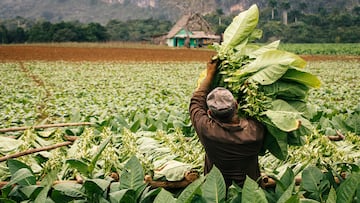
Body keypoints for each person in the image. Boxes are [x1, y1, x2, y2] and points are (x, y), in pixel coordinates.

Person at [189, 58, 265, 189]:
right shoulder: (255, 131)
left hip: (216, 191)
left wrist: (210, 74)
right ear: (236, 105)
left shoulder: (206, 130)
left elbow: (196, 101)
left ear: (210, 113)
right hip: (249, 193)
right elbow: (257, 110)